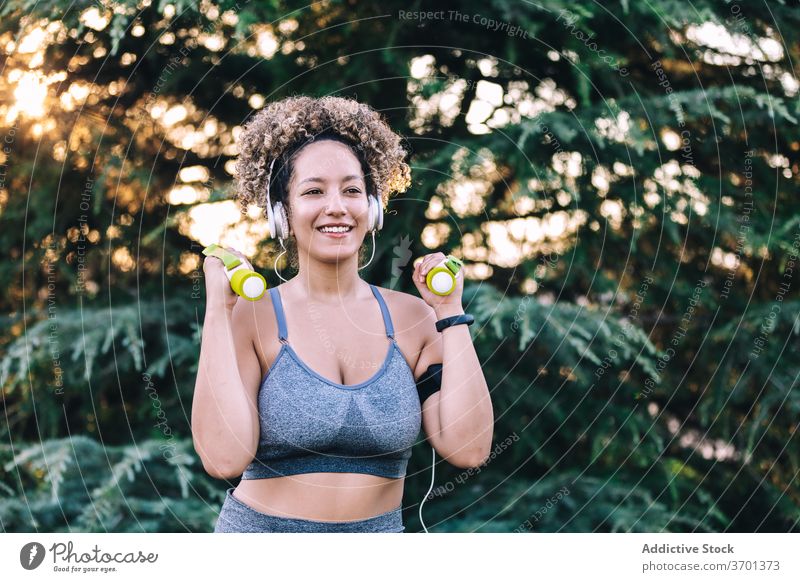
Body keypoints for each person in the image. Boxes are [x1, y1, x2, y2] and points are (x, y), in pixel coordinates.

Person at [192, 95, 494, 533]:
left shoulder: (413, 319)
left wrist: (450, 312)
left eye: (352, 190)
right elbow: (223, 458)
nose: (337, 206)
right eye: (313, 191)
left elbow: (468, 449)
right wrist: (219, 312)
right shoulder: (253, 317)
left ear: (371, 207)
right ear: (282, 213)